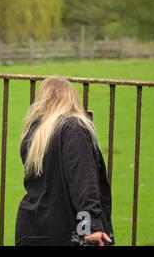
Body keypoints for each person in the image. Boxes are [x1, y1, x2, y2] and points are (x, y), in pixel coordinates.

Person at [15, 77, 114, 246]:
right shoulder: (74, 129)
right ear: (72, 98)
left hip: (31, 225)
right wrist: (91, 227)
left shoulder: (34, 133)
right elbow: (83, 181)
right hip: (63, 229)